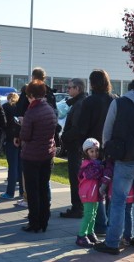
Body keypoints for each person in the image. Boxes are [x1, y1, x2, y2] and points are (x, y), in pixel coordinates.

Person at [95, 79, 134, 255]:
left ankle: (112, 242)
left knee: (118, 201)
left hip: (124, 158)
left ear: (129, 90)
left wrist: (108, 149)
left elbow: (107, 129)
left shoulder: (118, 103)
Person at [76, 69, 115, 235]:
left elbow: (82, 128)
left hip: (93, 150)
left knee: (95, 188)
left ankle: (100, 225)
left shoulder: (89, 102)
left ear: (92, 83)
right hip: (111, 149)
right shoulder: (115, 100)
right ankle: (111, 223)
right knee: (110, 187)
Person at [18, 79, 57, 232]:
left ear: (32, 95)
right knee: (43, 188)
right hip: (47, 154)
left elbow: (26, 135)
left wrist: (21, 126)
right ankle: (44, 221)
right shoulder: (49, 109)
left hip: (32, 156)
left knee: (32, 191)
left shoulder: (31, 112)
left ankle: (34, 222)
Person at [58, 78, 88, 219]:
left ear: (78, 89)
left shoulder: (80, 104)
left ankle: (78, 207)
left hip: (75, 147)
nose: (68, 90)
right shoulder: (78, 103)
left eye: (70, 88)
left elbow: (77, 129)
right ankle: (77, 206)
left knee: (75, 178)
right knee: (75, 178)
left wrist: (64, 137)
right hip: (75, 146)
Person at [76, 138, 105, 248]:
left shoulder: (97, 163)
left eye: (96, 151)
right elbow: (92, 174)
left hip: (95, 194)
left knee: (93, 215)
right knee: (88, 215)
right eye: (91, 151)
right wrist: (103, 167)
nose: (94, 153)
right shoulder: (87, 164)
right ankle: (81, 236)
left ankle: (90, 232)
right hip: (87, 193)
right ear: (86, 152)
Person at [0, 92, 23, 200]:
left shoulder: (5, 107)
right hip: (21, 138)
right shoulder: (20, 107)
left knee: (12, 166)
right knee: (20, 166)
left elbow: (3, 123)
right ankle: (22, 192)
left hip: (10, 138)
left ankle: (10, 192)